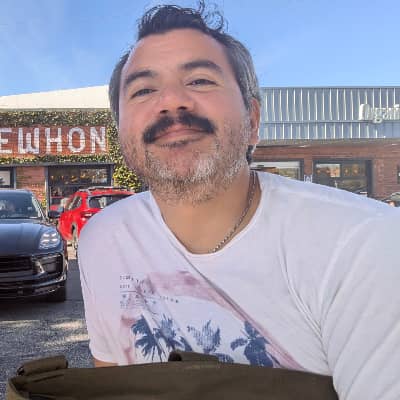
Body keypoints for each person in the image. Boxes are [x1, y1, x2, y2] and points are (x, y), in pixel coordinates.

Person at [78, 2, 400, 399]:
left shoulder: (364, 246)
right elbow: (114, 384)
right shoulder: (104, 240)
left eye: (200, 80)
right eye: (144, 90)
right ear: (121, 131)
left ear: (253, 120)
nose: (172, 101)